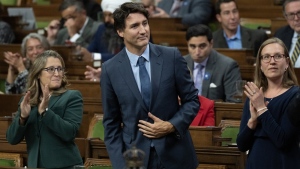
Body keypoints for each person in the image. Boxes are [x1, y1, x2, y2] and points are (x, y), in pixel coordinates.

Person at [101, 2, 199, 169]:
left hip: (176, 155)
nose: (143, 30)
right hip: (136, 159)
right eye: (134, 26)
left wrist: (170, 125)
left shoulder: (172, 57)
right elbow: (111, 123)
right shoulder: (110, 69)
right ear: (120, 32)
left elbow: (192, 101)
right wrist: (121, 165)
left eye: (145, 23)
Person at [6, 50, 83, 169]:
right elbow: (12, 139)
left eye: (60, 69)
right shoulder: (27, 101)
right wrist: (22, 118)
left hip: (65, 166)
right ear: (38, 73)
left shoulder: (72, 96)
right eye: (51, 69)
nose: (57, 74)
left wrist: (45, 111)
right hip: (35, 165)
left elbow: (69, 133)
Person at [236, 37, 300, 169]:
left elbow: (282, 140)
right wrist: (252, 122)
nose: (272, 62)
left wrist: (261, 108)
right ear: (260, 64)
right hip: (256, 162)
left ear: (287, 62)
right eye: (266, 57)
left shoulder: (296, 96)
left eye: (277, 56)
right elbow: (242, 145)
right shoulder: (254, 95)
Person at [184, 24, 242, 102]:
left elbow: (234, 103)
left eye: (202, 46)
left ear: (211, 44)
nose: (197, 52)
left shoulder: (227, 66)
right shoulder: (181, 63)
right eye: (192, 46)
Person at [275, 0, 300, 67]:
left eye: (299, 13)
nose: (296, 18)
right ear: (286, 17)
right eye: (291, 14)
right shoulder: (280, 34)